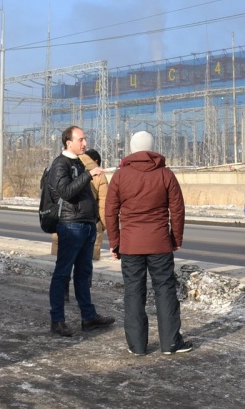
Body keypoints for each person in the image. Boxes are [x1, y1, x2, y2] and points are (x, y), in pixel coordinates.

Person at [105, 130, 192, 356]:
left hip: (131, 245)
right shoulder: (165, 174)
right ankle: (171, 343)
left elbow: (110, 212)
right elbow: (178, 210)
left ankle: (137, 345)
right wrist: (176, 238)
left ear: (132, 149)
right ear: (152, 148)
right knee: (165, 291)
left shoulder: (120, 176)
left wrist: (115, 242)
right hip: (159, 243)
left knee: (133, 292)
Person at [45, 125, 115, 337]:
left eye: (85, 139)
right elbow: (65, 192)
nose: (85, 143)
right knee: (62, 273)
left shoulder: (77, 162)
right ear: (69, 143)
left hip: (85, 225)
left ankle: (88, 317)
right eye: (81, 140)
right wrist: (88, 175)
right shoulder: (60, 164)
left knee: (84, 273)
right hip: (71, 225)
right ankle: (57, 320)